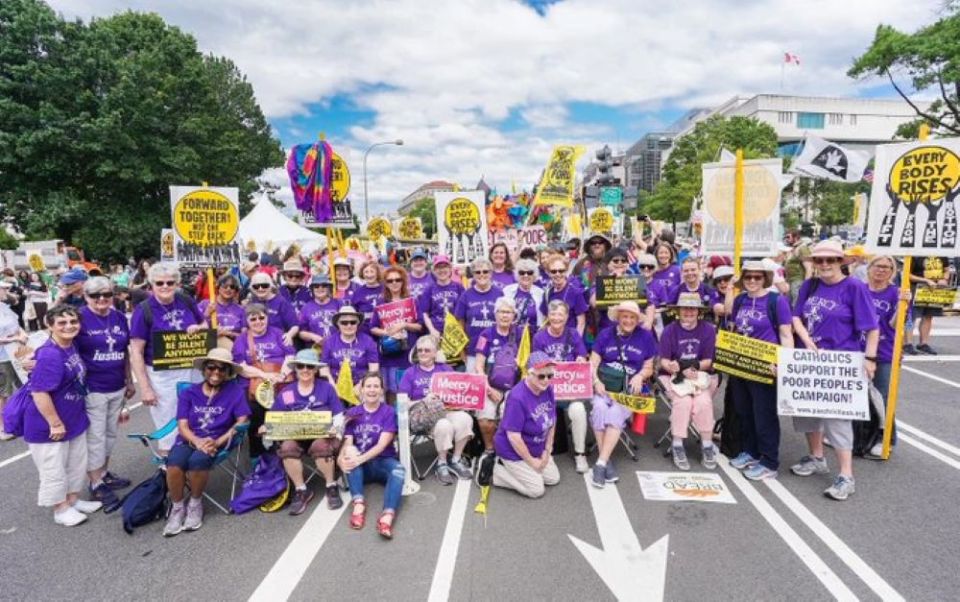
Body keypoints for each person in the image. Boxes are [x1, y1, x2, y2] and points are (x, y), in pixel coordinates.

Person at [791, 240, 879, 501]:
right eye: (819, 260)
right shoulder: (811, 285)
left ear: (841, 261)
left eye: (830, 260)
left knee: (836, 418)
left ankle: (846, 475)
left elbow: (872, 327)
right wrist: (806, 339)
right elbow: (797, 315)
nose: (825, 264)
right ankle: (817, 457)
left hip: (841, 361)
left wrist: (870, 358)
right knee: (808, 412)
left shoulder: (853, 287)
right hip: (810, 360)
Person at [22, 305, 103, 526]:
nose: (69, 326)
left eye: (73, 321)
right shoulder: (50, 353)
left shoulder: (70, 345)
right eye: (62, 323)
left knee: (75, 463)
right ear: (50, 326)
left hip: (73, 418)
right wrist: (54, 423)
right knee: (54, 467)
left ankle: (72, 500)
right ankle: (60, 509)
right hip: (48, 424)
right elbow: (39, 392)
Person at [163, 348, 250, 536]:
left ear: (228, 372)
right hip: (190, 439)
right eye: (211, 367)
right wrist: (197, 441)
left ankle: (195, 503)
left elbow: (242, 420)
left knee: (197, 461)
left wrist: (217, 442)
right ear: (204, 369)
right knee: (174, 463)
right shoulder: (189, 393)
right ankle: (177, 508)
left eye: (222, 369)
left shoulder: (234, 392)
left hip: (217, 440)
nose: (216, 373)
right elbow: (182, 425)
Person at [723, 261, 793, 480]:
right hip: (741, 364)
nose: (752, 281)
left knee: (764, 415)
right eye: (748, 277)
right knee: (745, 412)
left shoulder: (776, 301)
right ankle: (751, 452)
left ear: (766, 279)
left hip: (766, 366)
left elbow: (786, 334)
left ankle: (769, 461)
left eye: (758, 277)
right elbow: (731, 321)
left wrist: (783, 363)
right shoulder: (741, 299)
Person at [129, 263, 207, 454]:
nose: (165, 286)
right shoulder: (144, 309)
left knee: (195, 415)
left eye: (170, 282)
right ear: (151, 285)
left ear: (177, 283)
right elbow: (136, 351)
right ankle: (168, 468)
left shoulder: (185, 300)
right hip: (161, 375)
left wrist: (200, 329)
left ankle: (191, 460)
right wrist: (145, 388)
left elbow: (204, 322)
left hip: (192, 368)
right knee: (167, 423)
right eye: (159, 283)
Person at [76, 277, 135, 511]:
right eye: (95, 295)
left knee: (110, 435)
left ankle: (103, 473)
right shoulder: (79, 318)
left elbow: (125, 351)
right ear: (85, 297)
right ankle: (95, 482)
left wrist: (129, 380)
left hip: (117, 386)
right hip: (93, 388)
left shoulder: (119, 317)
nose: (101, 299)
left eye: (107, 295)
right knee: (96, 438)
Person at [590, 301, 657, 487]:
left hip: (628, 390)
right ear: (618, 317)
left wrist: (640, 376)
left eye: (632, 317)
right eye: (624, 316)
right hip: (605, 385)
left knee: (615, 413)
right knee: (599, 407)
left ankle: (600, 463)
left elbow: (649, 367)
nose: (628, 320)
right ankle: (605, 461)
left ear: (637, 319)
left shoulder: (645, 337)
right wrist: (596, 381)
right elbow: (593, 363)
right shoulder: (605, 334)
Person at [270, 349, 345, 514]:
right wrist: (266, 427)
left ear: (315, 369)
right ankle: (301, 489)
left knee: (321, 446)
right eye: (301, 366)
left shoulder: (326, 388)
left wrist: (336, 430)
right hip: (296, 436)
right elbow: (275, 417)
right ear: (295, 369)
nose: (305, 370)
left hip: (323, 436)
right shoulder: (287, 392)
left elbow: (339, 415)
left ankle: (331, 485)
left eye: (309, 367)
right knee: (287, 448)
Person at [398, 336, 473, 484]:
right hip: (423, 413)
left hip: (446, 409)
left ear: (435, 353)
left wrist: (463, 401)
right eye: (420, 350)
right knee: (444, 424)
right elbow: (402, 404)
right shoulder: (410, 373)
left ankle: (456, 459)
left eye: (427, 350)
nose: (423, 353)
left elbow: (457, 393)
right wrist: (423, 400)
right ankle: (442, 463)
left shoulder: (445, 369)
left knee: (466, 418)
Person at [658, 293, 719, 471]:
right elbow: (663, 360)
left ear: (699, 311)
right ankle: (677, 444)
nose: (689, 312)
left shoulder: (708, 329)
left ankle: (707, 445)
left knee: (704, 402)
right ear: (678, 311)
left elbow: (709, 360)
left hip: (698, 375)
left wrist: (693, 367)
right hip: (672, 375)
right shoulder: (670, 330)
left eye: (693, 308)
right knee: (682, 402)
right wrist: (674, 367)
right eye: (685, 308)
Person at [339, 373, 403, 539]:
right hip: (361, 467)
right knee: (350, 456)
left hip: (383, 461)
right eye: (368, 386)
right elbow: (347, 443)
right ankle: (358, 505)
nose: (372, 390)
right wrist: (344, 457)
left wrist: (359, 458)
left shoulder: (388, 411)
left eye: (376, 386)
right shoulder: (352, 412)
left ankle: (387, 516)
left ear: (382, 390)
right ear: (361, 389)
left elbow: (382, 445)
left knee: (398, 471)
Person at [491, 352, 560, 499]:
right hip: (513, 450)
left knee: (553, 479)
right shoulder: (517, 397)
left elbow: (552, 421)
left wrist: (547, 451)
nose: (546, 380)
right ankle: (498, 472)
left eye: (550, 376)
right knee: (536, 490)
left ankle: (527, 470)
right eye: (541, 376)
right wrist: (532, 462)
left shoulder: (548, 389)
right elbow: (513, 436)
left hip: (537, 446)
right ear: (529, 374)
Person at [232, 303, 296, 459]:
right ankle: (258, 457)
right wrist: (264, 375)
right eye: (253, 319)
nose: (258, 322)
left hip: (282, 381)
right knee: (254, 414)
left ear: (267, 318)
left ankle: (287, 452)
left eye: (262, 317)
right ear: (247, 321)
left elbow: (290, 356)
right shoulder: (241, 339)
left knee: (290, 407)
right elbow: (241, 367)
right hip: (253, 385)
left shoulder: (278, 333)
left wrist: (281, 374)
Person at [532, 300, 589, 472]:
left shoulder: (573, 334)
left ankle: (580, 454)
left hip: (569, 390)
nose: (556, 318)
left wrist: (580, 359)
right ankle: (540, 450)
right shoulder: (539, 337)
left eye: (560, 315)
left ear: (566, 317)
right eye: (553, 314)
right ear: (548, 316)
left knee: (578, 409)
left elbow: (583, 357)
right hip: (546, 389)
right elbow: (535, 365)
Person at [863, 255, 908, 458]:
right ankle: (862, 436)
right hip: (858, 351)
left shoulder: (896, 293)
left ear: (893, 272)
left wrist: (902, 306)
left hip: (884, 352)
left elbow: (894, 325)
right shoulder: (859, 289)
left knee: (881, 397)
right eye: (878, 266)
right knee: (859, 397)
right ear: (869, 267)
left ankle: (886, 437)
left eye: (887, 267)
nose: (881, 270)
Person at [474, 297, 521, 456]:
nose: (504, 315)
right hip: (490, 385)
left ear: (514, 315)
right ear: (495, 314)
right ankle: (490, 449)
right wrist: (487, 388)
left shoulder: (521, 334)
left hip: (514, 387)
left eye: (508, 312)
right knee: (485, 418)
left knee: (507, 415)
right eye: (501, 312)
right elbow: (479, 365)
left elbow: (527, 363)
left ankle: (507, 450)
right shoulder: (485, 334)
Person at [370, 266, 423, 400]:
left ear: (403, 281)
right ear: (385, 284)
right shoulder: (381, 303)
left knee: (405, 393)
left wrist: (404, 324)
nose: (394, 283)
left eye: (397, 280)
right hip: (388, 354)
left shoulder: (412, 302)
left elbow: (420, 326)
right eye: (390, 280)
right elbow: (373, 327)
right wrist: (387, 333)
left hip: (407, 354)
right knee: (389, 392)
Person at [453, 258, 503, 371]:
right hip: (473, 350)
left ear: (491, 273)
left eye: (485, 271)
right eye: (477, 272)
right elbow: (460, 324)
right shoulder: (466, 295)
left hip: (496, 349)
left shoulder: (499, 293)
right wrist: (461, 350)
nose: (482, 275)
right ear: (473, 275)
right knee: (474, 386)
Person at [320, 306, 380, 387]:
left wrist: (360, 386)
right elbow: (324, 369)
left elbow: (373, 369)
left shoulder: (368, 341)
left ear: (358, 323)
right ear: (338, 324)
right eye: (344, 322)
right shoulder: (329, 342)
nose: (349, 325)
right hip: (335, 385)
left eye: (353, 322)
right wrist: (333, 386)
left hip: (361, 386)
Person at [904, 255, 950, 355]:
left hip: (935, 289)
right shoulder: (915, 255)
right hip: (916, 288)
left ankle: (923, 343)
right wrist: (925, 280)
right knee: (911, 316)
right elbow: (907, 274)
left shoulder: (941, 253)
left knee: (928, 316)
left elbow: (946, 269)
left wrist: (944, 279)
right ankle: (908, 343)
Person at [0, 292, 28, 441]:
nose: (5, 291)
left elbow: (17, 325)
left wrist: (22, 334)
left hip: (16, 352)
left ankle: (23, 418)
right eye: (2, 289)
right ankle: (3, 427)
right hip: (2, 358)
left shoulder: (4, 306)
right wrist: (16, 338)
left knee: (24, 384)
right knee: (3, 393)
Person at [661, 257, 722, 323]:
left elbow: (717, 309)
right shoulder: (676, 291)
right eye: (686, 271)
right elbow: (668, 311)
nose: (690, 273)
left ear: (699, 270)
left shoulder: (709, 290)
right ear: (682, 272)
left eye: (693, 270)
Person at [248, 272, 299, 348]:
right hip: (256, 341)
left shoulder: (281, 302)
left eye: (265, 285)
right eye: (256, 286)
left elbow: (295, 326)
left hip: (277, 341)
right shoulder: (251, 302)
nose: (260, 288)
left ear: (271, 286)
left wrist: (289, 335)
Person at [541, 256, 587, 335]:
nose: (557, 274)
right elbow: (546, 319)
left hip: (570, 339)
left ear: (566, 271)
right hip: (553, 339)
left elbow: (581, 323)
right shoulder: (547, 293)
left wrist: (576, 342)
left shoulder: (575, 292)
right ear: (548, 273)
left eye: (561, 271)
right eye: (553, 271)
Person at [422, 255, 464, 340]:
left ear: (450, 269)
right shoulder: (429, 289)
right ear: (433, 270)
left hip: (455, 332)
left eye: (445, 267)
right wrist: (432, 330)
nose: (442, 270)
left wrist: (460, 330)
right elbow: (424, 313)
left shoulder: (459, 287)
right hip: (436, 333)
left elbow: (464, 312)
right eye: (438, 267)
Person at [198, 274, 245, 347]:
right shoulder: (205, 304)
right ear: (218, 288)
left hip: (232, 347)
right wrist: (206, 314)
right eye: (225, 286)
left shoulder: (241, 310)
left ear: (235, 291)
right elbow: (192, 328)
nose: (228, 289)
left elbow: (245, 337)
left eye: (232, 287)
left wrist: (227, 333)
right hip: (208, 345)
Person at [298, 274, 341, 353]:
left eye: (324, 285)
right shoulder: (306, 308)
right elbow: (301, 332)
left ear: (328, 288)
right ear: (312, 289)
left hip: (337, 348)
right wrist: (312, 336)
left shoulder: (338, 304)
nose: (320, 288)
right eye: (316, 286)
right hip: (315, 350)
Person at [502, 258, 545, 334]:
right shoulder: (507, 291)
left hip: (532, 336)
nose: (526, 275)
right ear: (517, 274)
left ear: (534, 275)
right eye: (522, 272)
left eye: (529, 272)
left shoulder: (541, 293)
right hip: (511, 335)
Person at [351, 260, 384, 328]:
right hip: (365, 330)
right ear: (362, 274)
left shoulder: (385, 289)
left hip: (384, 329)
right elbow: (354, 313)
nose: (369, 275)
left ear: (377, 273)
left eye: (372, 271)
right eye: (366, 272)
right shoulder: (358, 292)